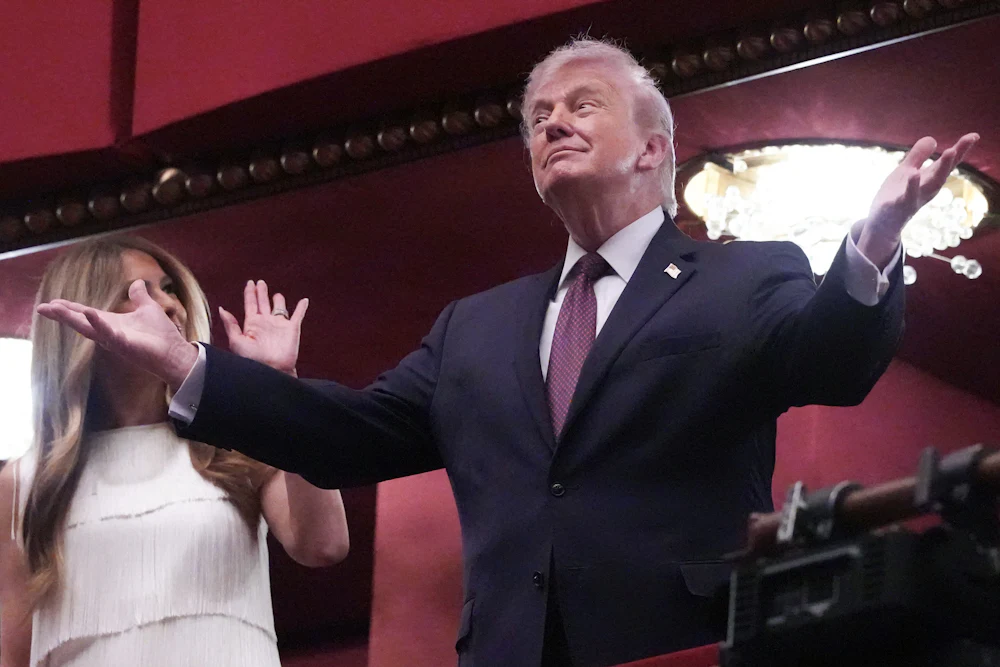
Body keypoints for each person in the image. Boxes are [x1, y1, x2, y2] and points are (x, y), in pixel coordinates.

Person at [38, 38, 978, 667]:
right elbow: (345, 436)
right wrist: (186, 367)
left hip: (680, 645)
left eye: (582, 105)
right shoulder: (475, 327)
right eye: (538, 117)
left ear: (656, 150)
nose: (551, 123)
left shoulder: (742, 278)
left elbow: (833, 361)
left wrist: (873, 245)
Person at [1, 236, 350, 667]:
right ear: (87, 316)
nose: (171, 305)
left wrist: (281, 389)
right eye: (141, 293)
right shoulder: (24, 481)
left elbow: (324, 545)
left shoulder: (236, 437)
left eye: (169, 288)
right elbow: (11, 652)